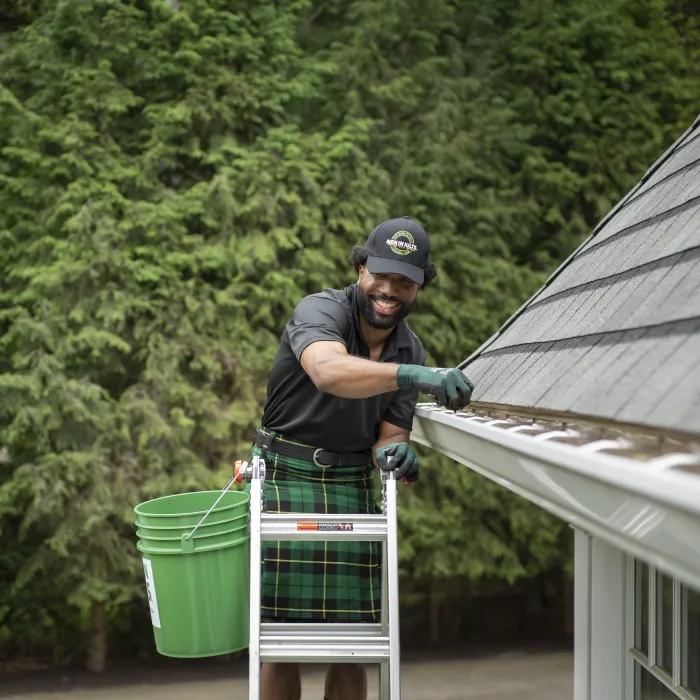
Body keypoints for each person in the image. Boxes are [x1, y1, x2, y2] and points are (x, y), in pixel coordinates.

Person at [251, 216, 474, 700]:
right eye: (381, 275)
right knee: (279, 640)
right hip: (285, 476)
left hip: (353, 484)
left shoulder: (407, 348)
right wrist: (413, 375)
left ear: (419, 288)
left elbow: (388, 439)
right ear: (360, 268)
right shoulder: (320, 310)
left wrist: (398, 454)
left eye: (404, 281)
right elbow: (328, 370)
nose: (389, 290)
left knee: (354, 641)